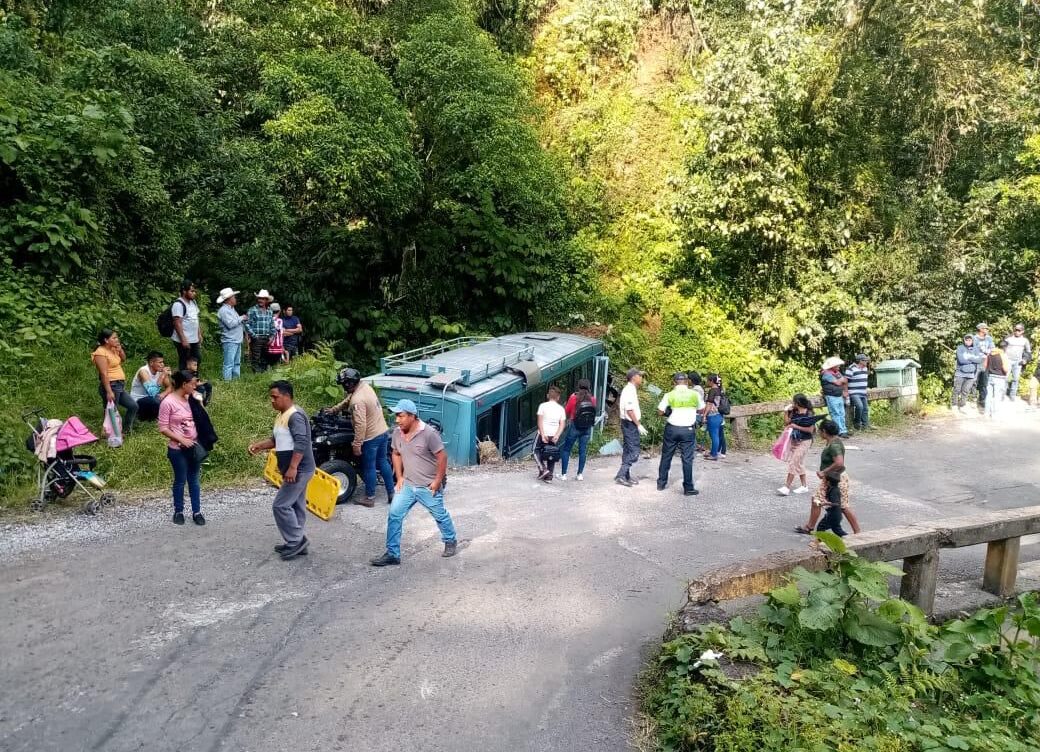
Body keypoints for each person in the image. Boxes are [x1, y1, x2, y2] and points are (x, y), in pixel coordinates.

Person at [370, 398, 458, 567]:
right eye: (396, 416)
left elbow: (442, 457)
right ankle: (393, 554)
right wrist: (400, 477)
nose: (397, 419)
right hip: (408, 485)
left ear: (412, 416)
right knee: (394, 515)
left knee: (439, 515)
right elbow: (395, 453)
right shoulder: (397, 433)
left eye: (400, 416)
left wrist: (437, 481)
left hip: (428, 486)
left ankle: (450, 540)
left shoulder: (429, 434)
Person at [248, 381, 315, 560]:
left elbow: (301, 442)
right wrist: (259, 446)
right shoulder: (282, 415)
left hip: (299, 469)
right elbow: (277, 439)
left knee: (281, 505)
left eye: (275, 397)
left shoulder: (295, 416)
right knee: (296, 504)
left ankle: (296, 541)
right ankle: (298, 540)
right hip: (294, 469)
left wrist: (293, 468)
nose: (272, 400)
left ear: (286, 396)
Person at [326, 367, 395, 506]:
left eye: (344, 384)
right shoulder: (364, 387)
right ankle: (391, 493)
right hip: (382, 431)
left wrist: (357, 444)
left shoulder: (357, 400)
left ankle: (369, 498)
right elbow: (348, 400)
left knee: (368, 466)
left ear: (349, 383)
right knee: (383, 462)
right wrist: (334, 410)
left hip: (371, 437)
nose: (343, 387)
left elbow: (360, 425)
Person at [795, 419, 861, 535]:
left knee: (843, 506)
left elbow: (839, 463)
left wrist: (824, 471)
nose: (819, 433)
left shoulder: (834, 446)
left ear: (824, 431)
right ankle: (809, 527)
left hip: (837, 479)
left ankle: (858, 532)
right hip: (831, 478)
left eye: (820, 431)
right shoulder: (834, 441)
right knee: (816, 500)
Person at [158, 370, 205, 526]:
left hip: (194, 446)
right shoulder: (168, 402)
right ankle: (178, 511)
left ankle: (196, 511)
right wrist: (181, 440)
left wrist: (200, 403)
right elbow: (163, 427)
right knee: (180, 480)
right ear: (184, 384)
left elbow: (202, 419)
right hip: (177, 448)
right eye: (192, 383)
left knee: (194, 480)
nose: (195, 386)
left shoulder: (193, 399)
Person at [656, 372, 702, 496]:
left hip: (672, 429)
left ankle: (661, 483)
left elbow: (660, 412)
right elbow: (701, 409)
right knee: (687, 459)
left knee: (666, 456)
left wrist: (668, 412)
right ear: (687, 382)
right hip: (688, 430)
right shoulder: (695, 394)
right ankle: (688, 488)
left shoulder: (669, 395)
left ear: (674, 382)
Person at [92, 329, 137, 435]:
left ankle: (126, 430)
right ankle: (111, 434)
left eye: (117, 337)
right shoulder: (100, 353)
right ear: (106, 340)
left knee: (133, 406)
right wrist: (108, 391)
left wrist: (120, 349)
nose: (117, 339)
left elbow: (124, 359)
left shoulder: (113, 349)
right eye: (114, 338)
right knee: (111, 411)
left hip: (119, 385)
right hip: (111, 385)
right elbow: (103, 373)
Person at [777, 393, 825, 496]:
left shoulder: (809, 413)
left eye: (794, 402)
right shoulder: (794, 411)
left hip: (805, 441)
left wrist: (796, 426)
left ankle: (787, 487)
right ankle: (804, 486)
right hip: (794, 439)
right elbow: (786, 423)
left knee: (794, 462)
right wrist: (786, 411)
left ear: (798, 403)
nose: (792, 403)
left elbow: (810, 430)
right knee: (798, 463)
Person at [557, 378, 597, 481]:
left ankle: (564, 474)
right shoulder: (592, 399)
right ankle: (579, 474)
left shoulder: (573, 397)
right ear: (589, 387)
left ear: (578, 387)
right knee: (582, 451)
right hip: (587, 428)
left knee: (566, 450)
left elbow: (567, 411)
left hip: (575, 426)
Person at [615, 368, 647, 487]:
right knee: (634, 451)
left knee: (628, 449)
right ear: (634, 377)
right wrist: (638, 425)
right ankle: (621, 475)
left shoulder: (632, 389)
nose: (641, 378)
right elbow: (629, 410)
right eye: (640, 376)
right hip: (630, 424)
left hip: (629, 423)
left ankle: (626, 475)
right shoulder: (629, 390)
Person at [534, 385, 567, 482]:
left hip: (543, 433)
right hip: (553, 434)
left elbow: (539, 421)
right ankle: (549, 477)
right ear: (558, 397)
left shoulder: (542, 406)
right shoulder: (561, 409)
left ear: (548, 396)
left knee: (535, 451)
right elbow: (562, 424)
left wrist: (543, 434)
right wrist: (557, 435)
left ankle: (543, 469)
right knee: (551, 454)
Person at [129, 351, 171, 421]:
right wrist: (162, 376)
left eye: (163, 362)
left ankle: (164, 416)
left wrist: (163, 394)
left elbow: (169, 387)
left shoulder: (161, 371)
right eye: (160, 362)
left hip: (153, 398)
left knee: (173, 396)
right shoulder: (143, 372)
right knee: (155, 401)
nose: (162, 365)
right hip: (139, 400)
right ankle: (148, 418)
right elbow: (152, 393)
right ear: (151, 363)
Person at [170, 279, 202, 372]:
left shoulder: (193, 302)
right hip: (183, 339)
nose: (194, 293)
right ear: (184, 291)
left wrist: (199, 334)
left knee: (197, 359)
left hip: (193, 338)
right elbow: (177, 323)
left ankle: (193, 380)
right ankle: (182, 382)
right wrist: (183, 339)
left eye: (194, 291)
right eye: (192, 291)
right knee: (184, 361)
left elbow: (195, 319)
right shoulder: (178, 304)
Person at [216, 287, 246, 381]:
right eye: (234, 297)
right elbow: (230, 324)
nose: (235, 299)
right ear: (229, 299)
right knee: (229, 363)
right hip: (230, 340)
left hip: (236, 339)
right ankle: (227, 382)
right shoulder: (223, 310)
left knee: (236, 362)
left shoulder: (232, 309)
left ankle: (235, 380)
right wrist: (242, 318)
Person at [245, 289, 275, 373]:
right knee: (256, 358)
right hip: (257, 338)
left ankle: (263, 375)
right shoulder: (252, 310)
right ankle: (256, 376)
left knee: (265, 358)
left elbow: (272, 325)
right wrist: (254, 336)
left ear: (266, 300)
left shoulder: (269, 311)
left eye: (262, 298)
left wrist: (272, 337)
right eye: (259, 298)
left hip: (267, 338)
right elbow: (247, 324)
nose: (260, 300)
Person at [819, 357, 850, 437]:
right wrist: (842, 380)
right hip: (831, 396)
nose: (839, 366)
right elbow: (838, 383)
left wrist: (843, 381)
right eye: (837, 365)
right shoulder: (826, 374)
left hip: (838, 395)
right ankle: (839, 431)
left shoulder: (836, 372)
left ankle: (843, 430)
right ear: (832, 366)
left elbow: (845, 381)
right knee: (835, 413)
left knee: (841, 413)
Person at [952, 333, 983, 411]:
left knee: (966, 391)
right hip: (960, 373)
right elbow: (961, 360)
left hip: (971, 374)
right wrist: (973, 358)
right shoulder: (960, 348)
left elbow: (979, 360)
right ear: (964, 340)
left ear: (972, 340)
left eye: (970, 340)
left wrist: (968, 357)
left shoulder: (976, 349)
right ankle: (954, 405)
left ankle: (962, 405)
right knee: (957, 389)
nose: (968, 341)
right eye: (966, 340)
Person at [701, 373, 728, 460]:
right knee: (717, 435)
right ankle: (714, 452)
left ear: (711, 381)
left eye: (708, 380)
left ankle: (714, 455)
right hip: (720, 416)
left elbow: (709, 404)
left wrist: (704, 415)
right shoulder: (720, 390)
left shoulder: (712, 391)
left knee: (714, 436)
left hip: (713, 415)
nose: (707, 381)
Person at [1004, 323, 1032, 400]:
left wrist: (1025, 359)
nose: (1016, 331)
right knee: (1005, 377)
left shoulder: (1025, 340)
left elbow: (1028, 352)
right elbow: (1002, 346)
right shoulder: (1009, 338)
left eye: (1019, 330)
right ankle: (1002, 394)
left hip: (1018, 362)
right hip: (1008, 360)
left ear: (1022, 331)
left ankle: (1012, 395)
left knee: (1015, 379)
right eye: (1015, 330)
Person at [983, 339, 1010, 418]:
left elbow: (985, 365)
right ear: (1005, 347)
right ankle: (994, 414)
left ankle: (986, 413)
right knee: (997, 396)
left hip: (990, 376)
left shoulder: (990, 354)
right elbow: (1005, 369)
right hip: (999, 378)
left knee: (989, 395)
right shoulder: (1003, 355)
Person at [844, 354, 872, 430]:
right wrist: (846, 391)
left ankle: (865, 425)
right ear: (860, 361)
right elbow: (845, 381)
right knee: (860, 406)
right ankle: (856, 423)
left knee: (865, 409)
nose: (867, 361)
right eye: (865, 360)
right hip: (854, 392)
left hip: (863, 392)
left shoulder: (865, 369)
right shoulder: (851, 368)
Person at [973, 322, 994, 410]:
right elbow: (973, 350)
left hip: (986, 362)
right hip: (976, 362)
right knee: (974, 381)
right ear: (981, 329)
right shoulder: (974, 338)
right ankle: (973, 398)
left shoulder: (989, 338)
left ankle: (982, 400)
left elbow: (992, 349)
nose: (987, 330)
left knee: (985, 383)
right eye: (985, 328)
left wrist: (985, 350)